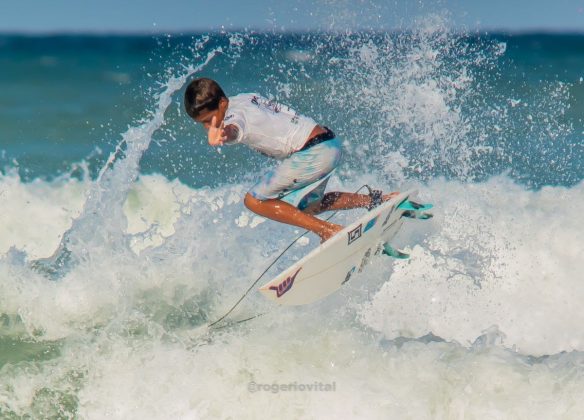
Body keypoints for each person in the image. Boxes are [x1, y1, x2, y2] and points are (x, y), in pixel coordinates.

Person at [184, 78, 397, 242]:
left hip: (312, 152)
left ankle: (329, 231)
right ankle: (377, 200)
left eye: (208, 121)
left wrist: (220, 134)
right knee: (307, 208)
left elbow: (233, 128)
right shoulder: (244, 98)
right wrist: (216, 126)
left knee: (254, 200)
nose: (207, 126)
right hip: (328, 143)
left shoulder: (234, 116)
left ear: (222, 104)